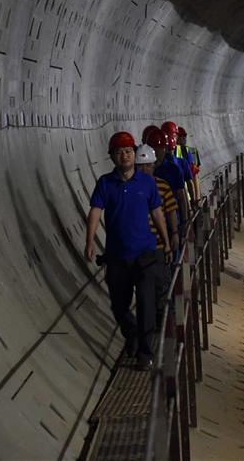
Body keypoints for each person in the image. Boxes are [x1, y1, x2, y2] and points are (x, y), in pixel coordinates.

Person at [84, 131, 173, 370]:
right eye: (119, 152)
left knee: (146, 303)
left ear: (134, 154)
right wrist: (90, 241)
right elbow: (95, 211)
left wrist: (166, 241)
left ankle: (145, 352)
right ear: (112, 157)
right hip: (117, 256)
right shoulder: (105, 183)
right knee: (119, 305)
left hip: (145, 254)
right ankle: (131, 333)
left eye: (128, 151)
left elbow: (157, 213)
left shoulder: (147, 183)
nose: (125, 156)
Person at [135, 144, 179, 323]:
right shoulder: (130, 188)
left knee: (162, 286)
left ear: (154, 166)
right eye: (141, 166)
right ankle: (149, 326)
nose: (145, 169)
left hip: (159, 246)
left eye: (148, 165)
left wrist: (174, 233)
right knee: (144, 290)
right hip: (138, 248)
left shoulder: (162, 186)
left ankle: (166, 328)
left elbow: (170, 211)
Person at [146, 128, 190, 225]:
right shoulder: (144, 170)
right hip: (150, 223)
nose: (156, 152)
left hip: (172, 221)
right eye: (153, 149)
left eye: (159, 148)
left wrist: (185, 221)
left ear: (165, 149)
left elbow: (181, 196)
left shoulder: (173, 170)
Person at [161, 121, 196, 206]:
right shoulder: (184, 154)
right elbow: (192, 180)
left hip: (167, 203)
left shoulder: (158, 159)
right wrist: (194, 201)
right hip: (183, 201)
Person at [175, 126, 201, 200]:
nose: (185, 139)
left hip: (184, 197)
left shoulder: (187, 151)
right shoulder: (185, 151)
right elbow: (194, 175)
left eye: (185, 137)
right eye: (183, 137)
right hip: (186, 196)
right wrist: (197, 197)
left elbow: (194, 174)